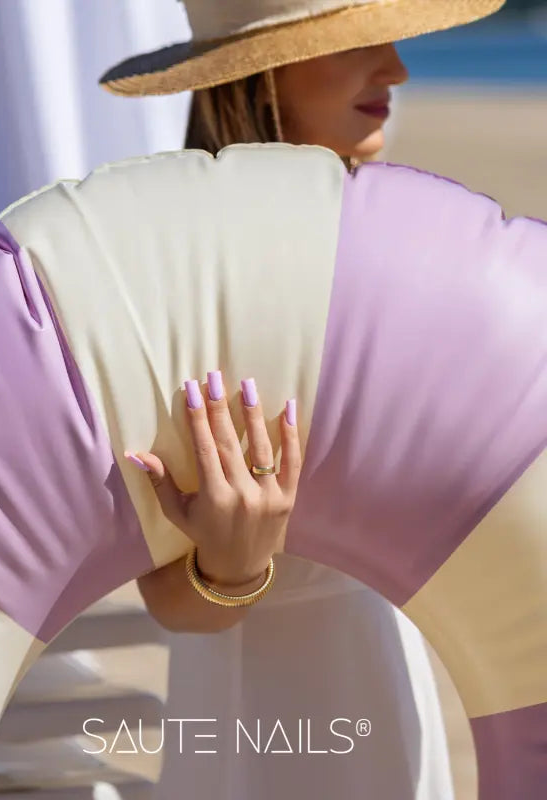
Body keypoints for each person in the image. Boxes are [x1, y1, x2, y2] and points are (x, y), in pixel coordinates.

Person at [107, 1, 505, 797]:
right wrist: (231, 565)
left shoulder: (385, 242)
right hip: (255, 709)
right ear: (260, 73)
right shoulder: (184, 280)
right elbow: (172, 603)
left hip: (386, 671)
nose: (397, 70)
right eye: (357, 43)